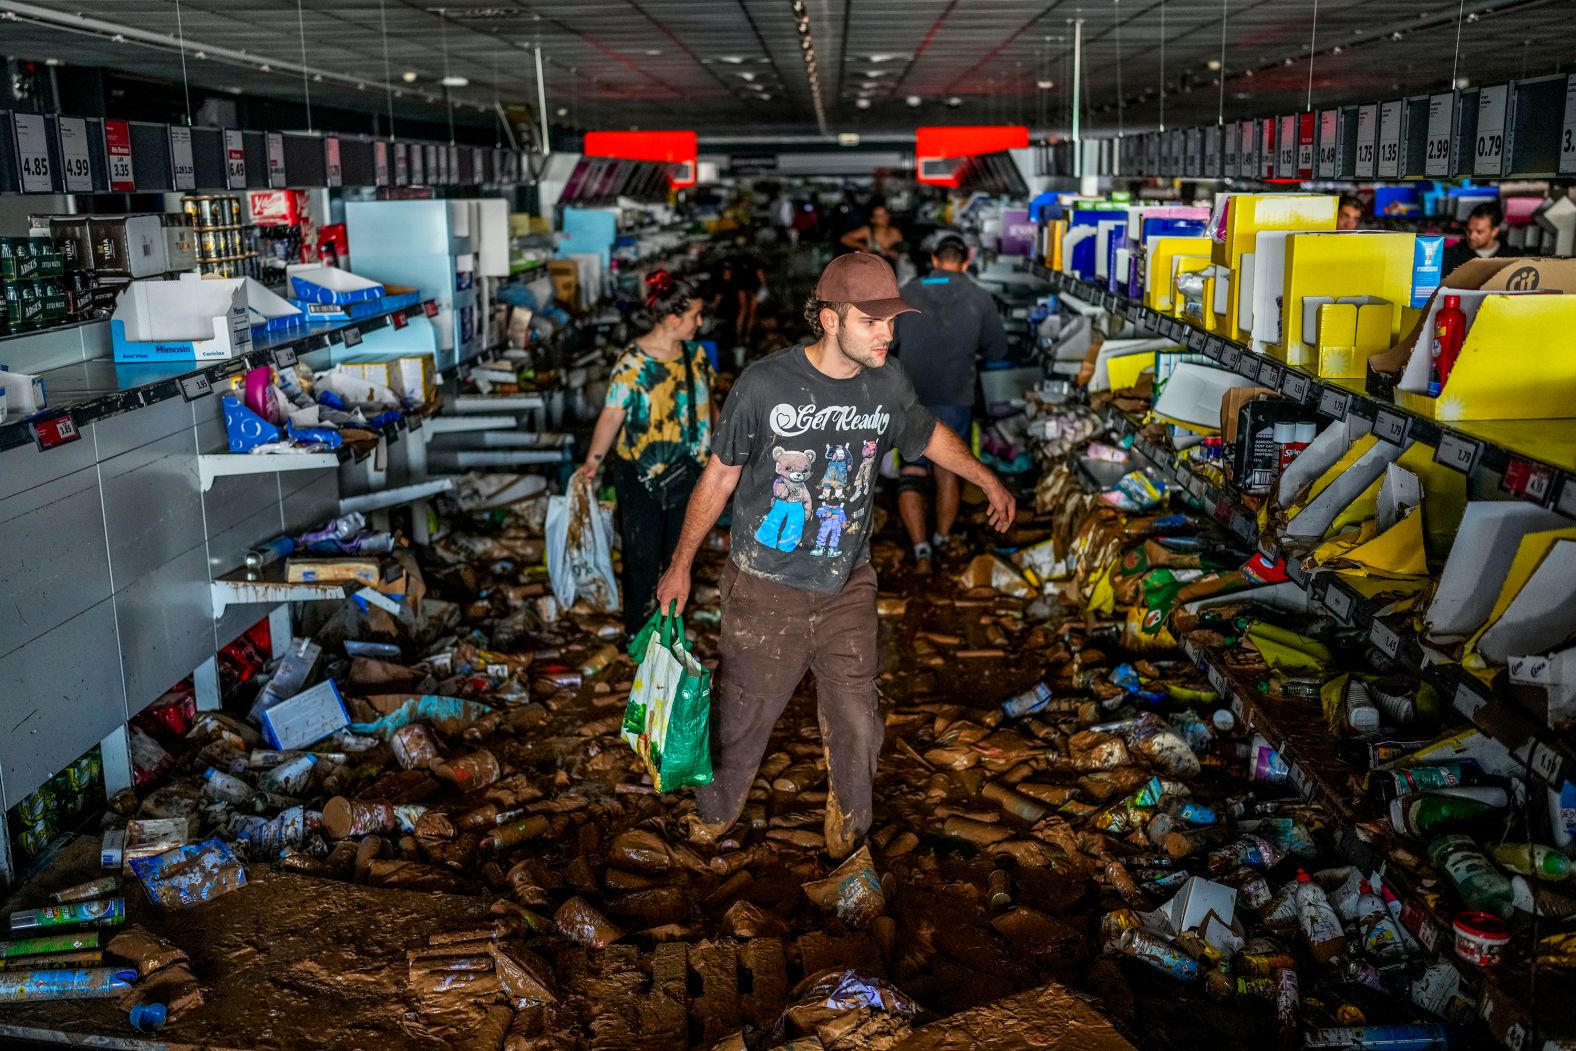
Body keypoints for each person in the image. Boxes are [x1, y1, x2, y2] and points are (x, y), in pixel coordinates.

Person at [654, 253, 1016, 858]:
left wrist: (987, 480)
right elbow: (719, 477)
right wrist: (681, 563)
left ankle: (849, 835)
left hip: (848, 578)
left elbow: (926, 435)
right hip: (765, 585)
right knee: (742, 720)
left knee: (858, 720)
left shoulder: (887, 380)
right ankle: (712, 818)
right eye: (871, 322)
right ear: (829, 319)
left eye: (891, 321)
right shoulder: (765, 385)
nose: (887, 334)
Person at [578, 271, 713, 637]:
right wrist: (592, 462)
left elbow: (707, 407)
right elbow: (612, 414)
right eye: (694, 316)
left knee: (680, 555)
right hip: (640, 473)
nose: (699, 323)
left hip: (689, 470)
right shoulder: (633, 363)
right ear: (672, 319)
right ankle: (638, 634)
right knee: (641, 555)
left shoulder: (696, 355)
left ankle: (671, 632)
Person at [891, 233, 1010, 572]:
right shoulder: (979, 296)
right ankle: (943, 537)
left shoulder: (909, 292)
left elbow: (890, 341)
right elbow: (996, 351)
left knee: (912, 470)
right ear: (966, 262)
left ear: (934, 260)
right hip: (956, 397)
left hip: (911, 396)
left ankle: (921, 549)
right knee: (948, 470)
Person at [1443, 201, 1511, 274]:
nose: (1472, 236)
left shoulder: (1511, 257)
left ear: (1494, 231)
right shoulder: (1452, 255)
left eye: (1479, 232)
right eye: (1469, 230)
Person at [839, 203, 905, 264]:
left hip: (889, 267)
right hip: (871, 266)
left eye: (885, 214)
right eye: (879, 216)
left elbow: (902, 253)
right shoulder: (868, 231)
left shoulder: (895, 232)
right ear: (873, 219)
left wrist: (891, 253)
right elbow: (844, 239)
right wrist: (863, 246)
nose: (884, 218)